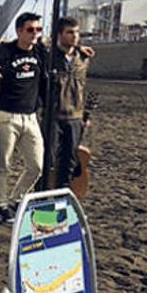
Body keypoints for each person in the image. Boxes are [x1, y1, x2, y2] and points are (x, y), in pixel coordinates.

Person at [0, 12, 47, 223]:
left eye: (38, 30)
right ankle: (1, 205)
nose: (35, 34)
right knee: (3, 164)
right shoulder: (3, 52)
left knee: (36, 166)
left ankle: (16, 198)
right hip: (6, 116)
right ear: (19, 30)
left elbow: (63, 51)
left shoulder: (40, 52)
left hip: (30, 117)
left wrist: (78, 49)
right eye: (30, 30)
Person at [52, 17, 90, 188]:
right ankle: (41, 193)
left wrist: (83, 117)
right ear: (59, 34)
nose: (74, 36)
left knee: (70, 160)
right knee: (47, 160)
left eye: (76, 32)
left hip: (75, 117)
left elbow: (82, 87)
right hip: (52, 116)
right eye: (69, 32)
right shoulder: (49, 57)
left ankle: (62, 194)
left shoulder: (83, 58)